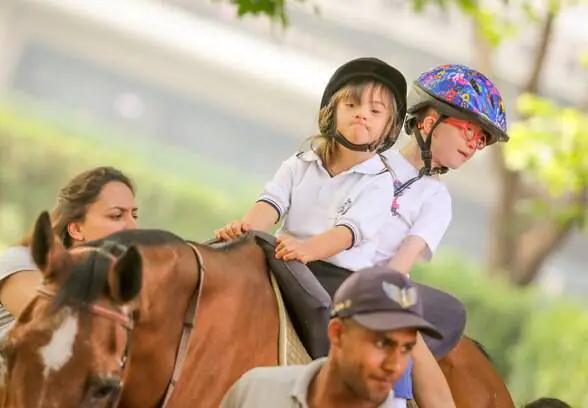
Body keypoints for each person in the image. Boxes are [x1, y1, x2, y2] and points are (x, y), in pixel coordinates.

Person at [372, 64, 509, 408]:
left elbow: (399, 269)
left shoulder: (437, 200)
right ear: (431, 120)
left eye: (482, 141)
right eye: (469, 132)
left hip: (375, 287)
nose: (475, 146)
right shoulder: (370, 157)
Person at [0, 166, 139, 408]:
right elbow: (60, 319)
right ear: (76, 228)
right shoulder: (21, 262)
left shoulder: (112, 296)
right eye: (116, 216)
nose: (133, 227)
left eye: (134, 215)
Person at [215, 57, 407, 273]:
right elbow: (272, 201)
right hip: (285, 257)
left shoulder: (379, 183)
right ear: (331, 112)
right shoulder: (301, 163)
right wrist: (245, 231)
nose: (362, 114)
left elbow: (347, 233)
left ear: (390, 127)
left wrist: (306, 249)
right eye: (351, 105)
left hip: (334, 275)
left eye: (375, 111)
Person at [219, 266, 444, 408]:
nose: (395, 366)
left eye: (406, 348)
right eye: (382, 343)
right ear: (337, 333)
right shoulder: (256, 390)